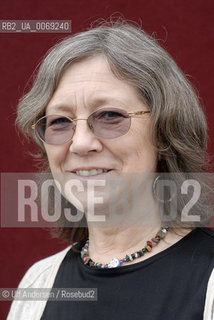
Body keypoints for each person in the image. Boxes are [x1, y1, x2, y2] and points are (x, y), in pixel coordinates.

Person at [7, 19, 214, 320]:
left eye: (109, 116)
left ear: (163, 132)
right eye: (60, 121)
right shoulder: (37, 286)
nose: (80, 143)